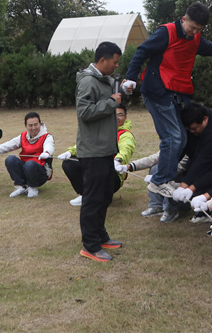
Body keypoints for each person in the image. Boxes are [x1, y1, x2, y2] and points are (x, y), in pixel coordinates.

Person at [122, 1, 212, 199]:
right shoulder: (167, 32)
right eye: (192, 27)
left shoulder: (195, 38)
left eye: (199, 29)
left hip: (177, 94)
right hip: (158, 91)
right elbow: (142, 51)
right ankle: (159, 181)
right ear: (184, 19)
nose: (194, 32)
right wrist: (130, 77)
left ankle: (166, 177)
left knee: (182, 137)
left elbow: (210, 48)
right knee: (172, 138)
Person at [75, 41, 125, 262]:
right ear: (103, 60)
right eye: (114, 62)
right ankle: (90, 246)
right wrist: (111, 103)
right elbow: (84, 112)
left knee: (104, 196)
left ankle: (101, 236)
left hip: (105, 149)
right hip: (92, 151)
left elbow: (110, 98)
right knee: (93, 199)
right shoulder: (88, 82)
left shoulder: (105, 80)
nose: (116, 66)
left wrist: (122, 91)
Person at [166, 102, 212, 222]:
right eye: (189, 129)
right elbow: (183, 150)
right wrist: (164, 171)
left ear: (205, 119)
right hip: (207, 161)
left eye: (194, 128)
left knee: (208, 177)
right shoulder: (194, 124)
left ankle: (210, 213)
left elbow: (204, 161)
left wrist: (185, 186)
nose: (192, 132)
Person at [59, 103, 135, 207]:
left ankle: (99, 196)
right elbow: (85, 144)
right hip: (95, 168)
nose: (116, 117)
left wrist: (118, 160)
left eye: (120, 114)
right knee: (69, 164)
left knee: (101, 169)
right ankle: (85, 194)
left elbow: (126, 149)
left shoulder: (126, 135)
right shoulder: (100, 130)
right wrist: (70, 152)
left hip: (112, 175)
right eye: (113, 114)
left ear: (125, 117)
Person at [0, 111, 54, 198]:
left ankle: (32, 187)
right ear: (26, 126)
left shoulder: (47, 136)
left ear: (40, 124)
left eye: (36, 124)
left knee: (30, 164)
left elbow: (49, 145)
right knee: (10, 159)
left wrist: (47, 152)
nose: (33, 128)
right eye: (30, 125)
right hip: (26, 169)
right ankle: (21, 186)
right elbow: (8, 145)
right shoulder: (23, 136)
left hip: (40, 173)